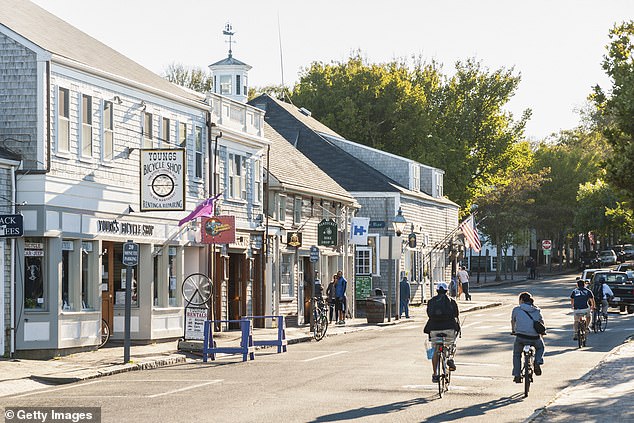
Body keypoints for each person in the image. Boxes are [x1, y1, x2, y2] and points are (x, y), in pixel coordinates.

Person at [423, 282, 460, 383]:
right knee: (451, 345)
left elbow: (429, 314)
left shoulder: (431, 302)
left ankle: (435, 374)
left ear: (437, 291)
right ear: (447, 290)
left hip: (434, 329)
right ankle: (450, 358)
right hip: (449, 329)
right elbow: (456, 315)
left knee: (435, 350)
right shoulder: (451, 302)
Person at [511, 292, 545, 383]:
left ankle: (517, 374)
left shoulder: (516, 309)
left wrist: (513, 331)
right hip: (534, 337)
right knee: (540, 347)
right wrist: (543, 333)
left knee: (517, 354)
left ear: (521, 300)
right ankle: (537, 361)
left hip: (520, 337)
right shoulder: (537, 310)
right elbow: (541, 322)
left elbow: (513, 321)